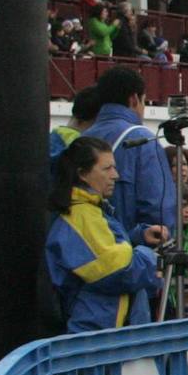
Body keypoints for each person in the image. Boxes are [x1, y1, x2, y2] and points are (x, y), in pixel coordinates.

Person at [46, 136, 163, 332]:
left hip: (107, 331)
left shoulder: (92, 210)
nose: (115, 175)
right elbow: (119, 271)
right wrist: (150, 257)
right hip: (96, 336)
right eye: (107, 168)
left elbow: (101, 250)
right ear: (83, 174)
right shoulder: (80, 214)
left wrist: (137, 237)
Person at [82, 67, 174, 253]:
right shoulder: (143, 140)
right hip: (131, 260)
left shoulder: (80, 140)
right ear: (134, 99)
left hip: (85, 254)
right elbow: (159, 210)